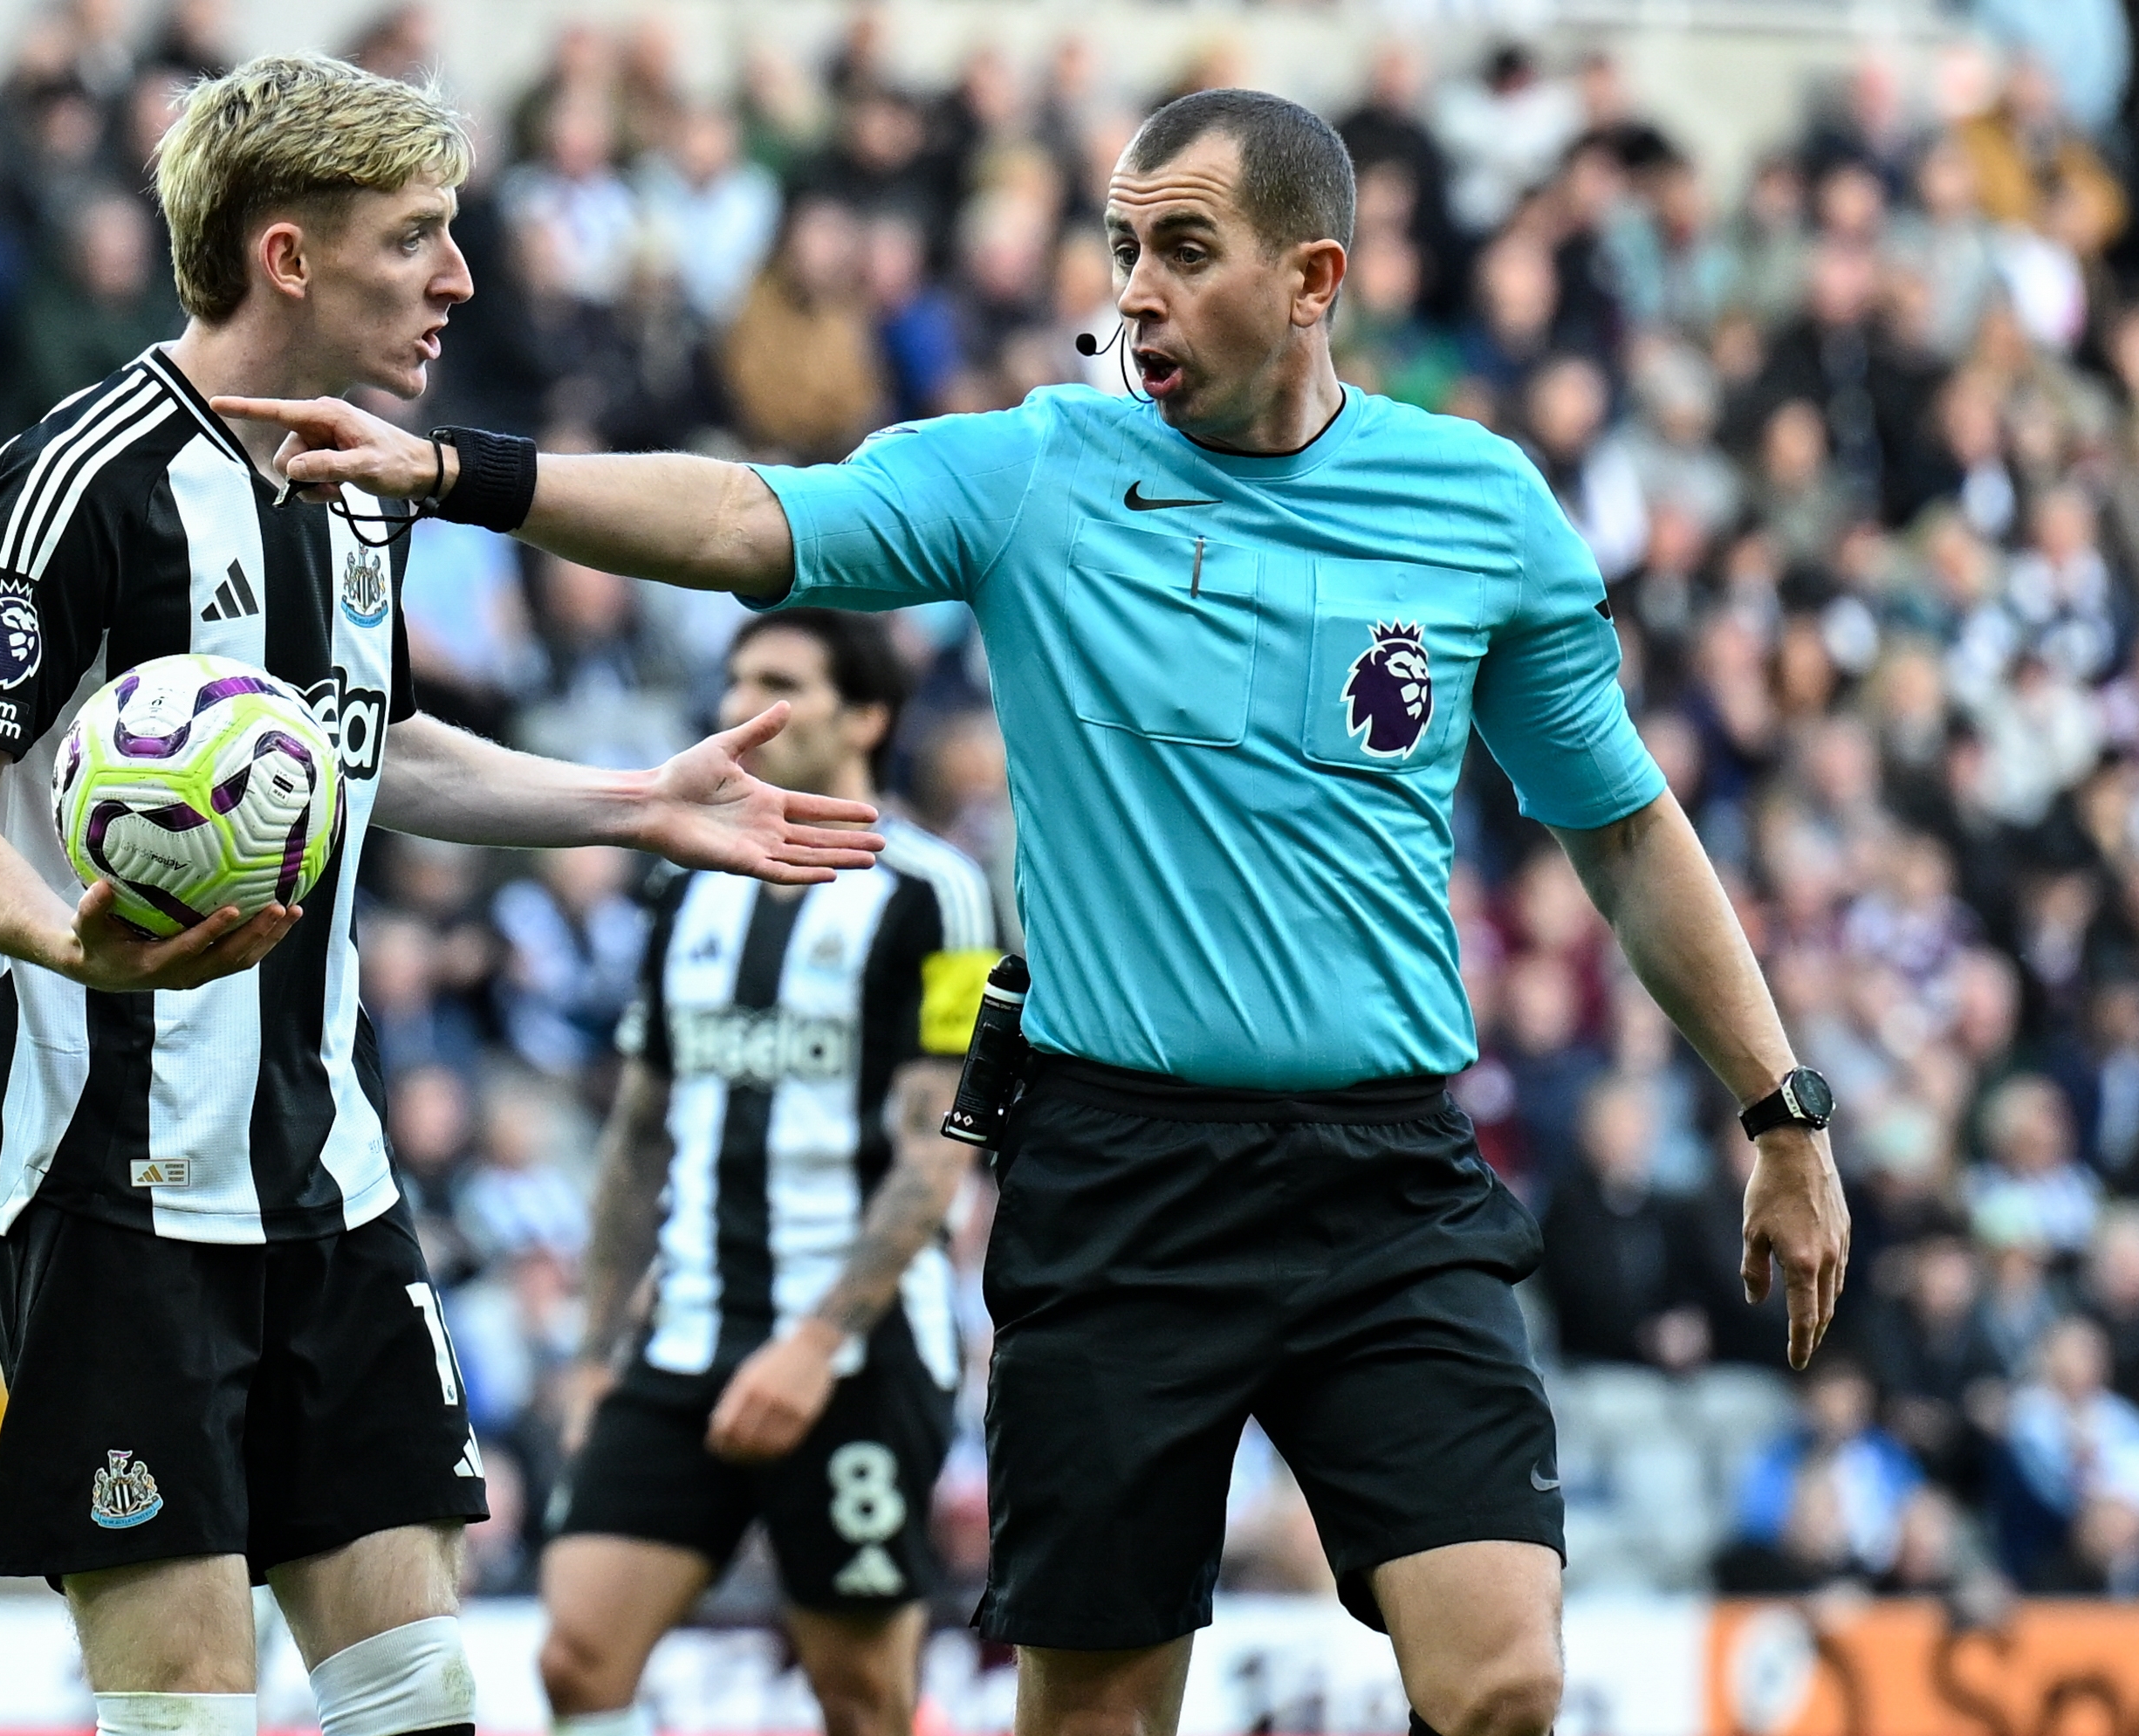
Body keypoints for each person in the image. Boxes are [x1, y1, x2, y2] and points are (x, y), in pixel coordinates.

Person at [220, 86, 1851, 1736]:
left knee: (1502, 1678)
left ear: (1313, 277)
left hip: (1389, 1181)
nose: (1135, 286)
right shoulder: (1037, 474)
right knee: (1089, 1715)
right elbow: (741, 518)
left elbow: (1626, 830)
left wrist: (1777, 1107)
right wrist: (456, 470)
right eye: (1123, 244)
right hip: (1120, 1181)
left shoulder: (1478, 507)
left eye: (1186, 249)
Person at [0, 54, 882, 1736]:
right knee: (185, 1706)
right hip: (114, 1186)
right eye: (417, 237)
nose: (458, 278)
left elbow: (364, 747)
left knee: (419, 1693)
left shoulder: (366, 484)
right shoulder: (82, 484)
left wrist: (632, 802)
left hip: (328, 1172)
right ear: (286, 256)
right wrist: (73, 941)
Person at [540, 607, 996, 1736]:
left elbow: (939, 1141)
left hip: (855, 1355)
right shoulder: (684, 881)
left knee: (862, 1696)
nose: (740, 703)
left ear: (868, 715)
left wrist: (813, 1343)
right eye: (735, 676)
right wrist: (598, 1354)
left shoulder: (938, 892)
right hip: (687, 1337)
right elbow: (640, 1134)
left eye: (778, 680)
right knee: (576, 1657)